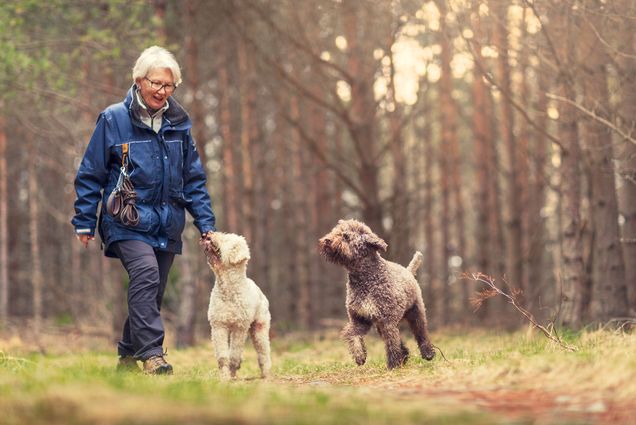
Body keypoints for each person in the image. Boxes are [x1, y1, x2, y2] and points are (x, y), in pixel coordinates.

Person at [72, 46, 216, 375]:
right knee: (147, 276)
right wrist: (84, 221)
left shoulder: (179, 124)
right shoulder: (113, 119)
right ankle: (152, 355)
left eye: (169, 86)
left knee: (151, 291)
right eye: (156, 84)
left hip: (166, 223)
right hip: (126, 219)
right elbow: (90, 173)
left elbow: (193, 179)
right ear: (139, 81)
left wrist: (206, 225)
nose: (162, 92)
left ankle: (126, 356)